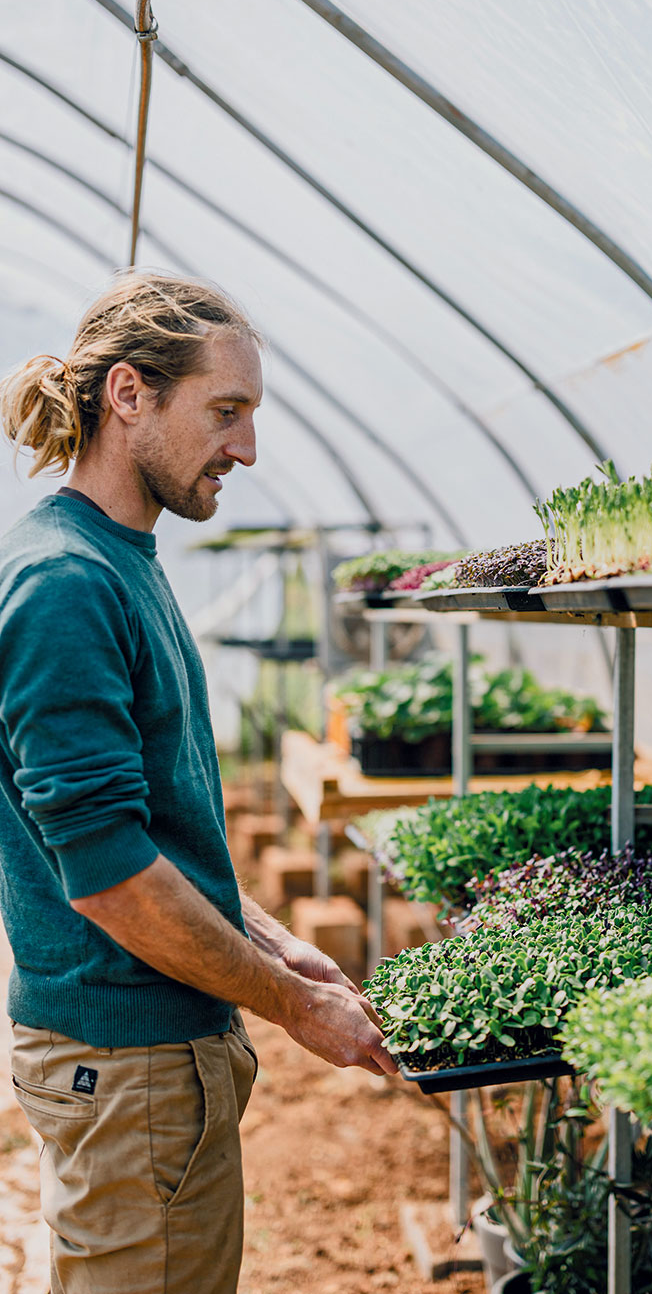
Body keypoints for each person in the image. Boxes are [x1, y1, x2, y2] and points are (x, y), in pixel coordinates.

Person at [0, 271, 396, 1294]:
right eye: (226, 411)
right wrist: (294, 1008)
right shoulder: (66, 584)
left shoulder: (117, 557)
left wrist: (273, 942)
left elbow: (155, 832)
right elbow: (110, 877)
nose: (247, 448)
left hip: (141, 1063)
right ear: (129, 394)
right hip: (127, 1066)